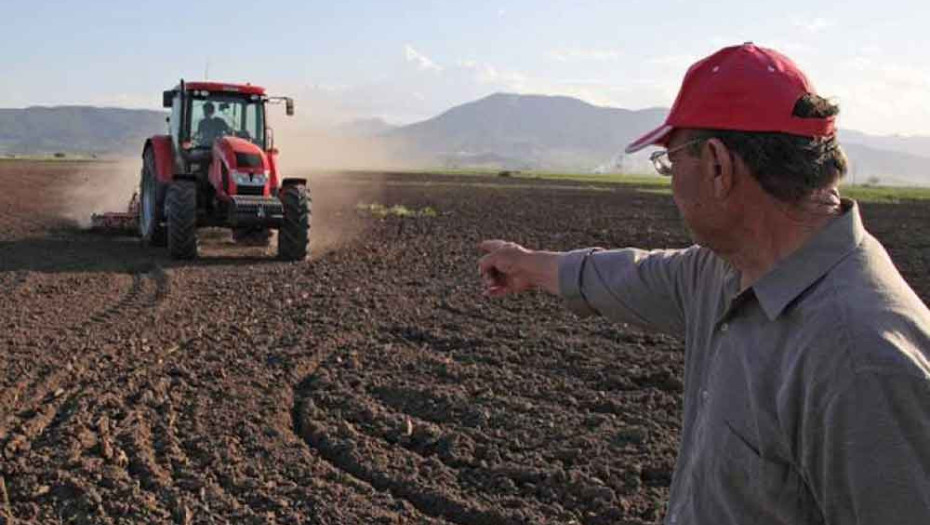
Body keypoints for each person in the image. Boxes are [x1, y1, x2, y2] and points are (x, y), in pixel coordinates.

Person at [478, 42, 930, 524]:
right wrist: (527, 265)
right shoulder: (727, 271)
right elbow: (632, 276)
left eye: (670, 163)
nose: (671, 183)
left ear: (717, 164)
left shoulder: (859, 361)